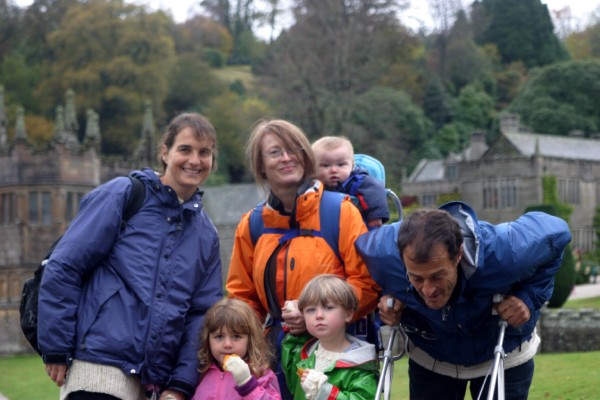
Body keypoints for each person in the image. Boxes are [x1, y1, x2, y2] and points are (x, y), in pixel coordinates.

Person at [38, 113, 224, 400]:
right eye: (185, 149)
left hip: (155, 384)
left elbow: (201, 315)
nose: (195, 160)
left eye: (204, 152)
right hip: (98, 369)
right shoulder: (124, 194)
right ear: (165, 152)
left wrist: (180, 384)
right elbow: (65, 265)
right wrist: (57, 346)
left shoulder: (206, 234)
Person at [226, 119, 380, 399]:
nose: (286, 157)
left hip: (338, 361)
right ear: (260, 165)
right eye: (274, 152)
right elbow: (242, 298)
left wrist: (313, 312)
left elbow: (367, 283)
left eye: (294, 148)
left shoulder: (341, 213)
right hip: (274, 359)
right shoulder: (252, 225)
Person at [355, 201, 572, 400]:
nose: (428, 289)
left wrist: (528, 297)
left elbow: (557, 230)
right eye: (416, 278)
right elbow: (353, 266)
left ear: (458, 254)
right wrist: (386, 296)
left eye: (437, 276)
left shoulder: (508, 252)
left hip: (502, 350)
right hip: (431, 357)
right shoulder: (379, 253)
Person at [281, 275, 379, 400]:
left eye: (328, 307)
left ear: (348, 314)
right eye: (310, 310)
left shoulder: (360, 364)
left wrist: (326, 393)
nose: (319, 315)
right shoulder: (301, 353)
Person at [191, 298, 281, 399]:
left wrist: (247, 384)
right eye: (219, 337)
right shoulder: (200, 371)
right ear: (208, 339)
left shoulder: (260, 373)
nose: (227, 344)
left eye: (236, 336)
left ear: (250, 340)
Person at [312, 136, 389, 229]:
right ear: (313, 167)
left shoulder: (358, 181)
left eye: (341, 164)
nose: (333, 170)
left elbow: (375, 194)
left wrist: (375, 215)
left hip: (357, 229)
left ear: (352, 166)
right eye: (325, 165)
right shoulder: (312, 186)